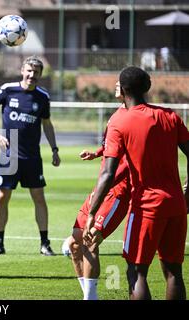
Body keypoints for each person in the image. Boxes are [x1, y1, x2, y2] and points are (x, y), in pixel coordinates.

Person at [85, 66, 189, 300]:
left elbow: (108, 174)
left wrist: (92, 212)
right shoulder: (170, 115)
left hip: (146, 207)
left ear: (123, 89)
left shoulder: (119, 121)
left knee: (137, 271)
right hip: (176, 205)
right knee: (174, 273)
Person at [0, 55, 60, 256]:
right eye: (29, 71)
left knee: (39, 198)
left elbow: (47, 124)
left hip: (32, 157)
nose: (32, 75)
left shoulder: (43, 96)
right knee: (2, 197)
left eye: (36, 72)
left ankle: (44, 243)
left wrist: (54, 149)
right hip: (9, 155)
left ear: (40, 74)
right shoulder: (8, 90)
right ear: (22, 71)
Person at [67, 81, 131, 300]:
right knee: (75, 241)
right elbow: (112, 145)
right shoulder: (117, 114)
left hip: (118, 192)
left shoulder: (134, 118)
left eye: (119, 83)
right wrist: (96, 153)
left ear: (128, 89)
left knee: (90, 240)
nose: (114, 85)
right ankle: (88, 295)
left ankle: (90, 298)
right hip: (102, 188)